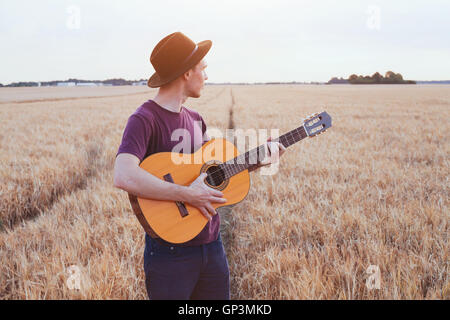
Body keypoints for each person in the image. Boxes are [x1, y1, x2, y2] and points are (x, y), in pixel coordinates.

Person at [113, 31, 286, 300]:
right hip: (170, 254)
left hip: (211, 245)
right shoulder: (144, 118)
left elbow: (214, 172)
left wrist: (261, 159)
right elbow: (123, 175)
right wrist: (187, 194)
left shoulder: (195, 118)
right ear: (185, 73)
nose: (206, 76)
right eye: (203, 69)